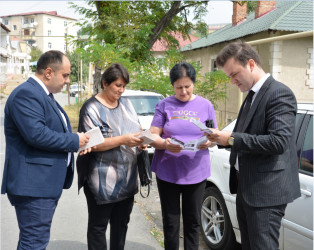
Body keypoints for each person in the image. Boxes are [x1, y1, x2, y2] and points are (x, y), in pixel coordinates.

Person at [207, 41, 300, 250]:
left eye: (234, 74)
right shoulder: (252, 95)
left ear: (251, 64)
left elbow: (279, 142)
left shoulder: (278, 93)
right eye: (229, 76)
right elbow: (245, 134)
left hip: (266, 193)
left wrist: (231, 139)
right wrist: (219, 139)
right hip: (246, 188)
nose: (232, 81)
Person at [1, 50, 90, 249]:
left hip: (42, 184)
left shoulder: (43, 94)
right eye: (65, 75)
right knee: (34, 243)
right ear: (49, 72)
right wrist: (75, 140)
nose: (68, 81)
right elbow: (37, 134)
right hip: (34, 185)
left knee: (32, 241)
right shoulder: (27, 93)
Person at [149, 62, 217, 250]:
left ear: (194, 84)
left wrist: (209, 142)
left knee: (193, 222)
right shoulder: (164, 105)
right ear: (173, 85)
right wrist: (164, 144)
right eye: (179, 87)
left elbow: (214, 134)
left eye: (187, 86)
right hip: (168, 172)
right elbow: (153, 134)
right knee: (171, 223)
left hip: (196, 172)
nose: (184, 91)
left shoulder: (206, 105)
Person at [76, 63, 144, 250]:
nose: (121, 90)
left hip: (128, 178)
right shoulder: (91, 108)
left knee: (121, 226)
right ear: (104, 83)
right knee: (98, 227)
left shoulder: (127, 104)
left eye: (124, 86)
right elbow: (91, 143)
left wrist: (141, 141)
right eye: (117, 85)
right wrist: (123, 139)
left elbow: (136, 130)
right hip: (101, 182)